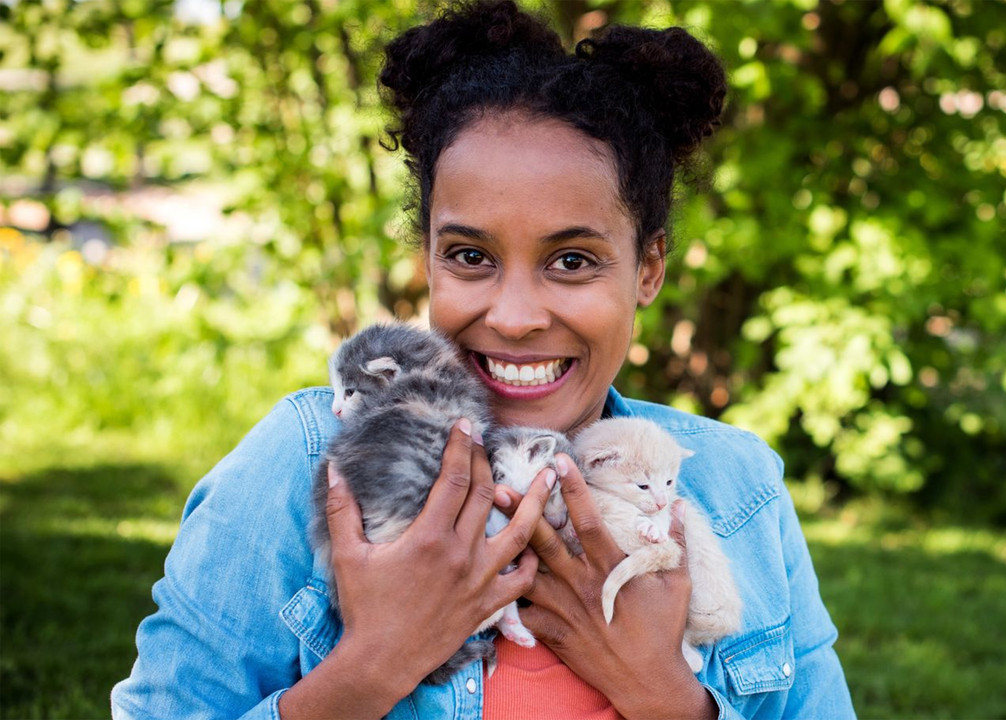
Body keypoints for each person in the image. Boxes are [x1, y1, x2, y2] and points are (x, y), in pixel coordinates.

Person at [110, 1, 856, 718]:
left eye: (572, 259)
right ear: (428, 256)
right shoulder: (310, 461)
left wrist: (667, 699)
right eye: (471, 255)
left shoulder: (739, 490)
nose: (515, 316)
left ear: (649, 268)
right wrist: (376, 663)